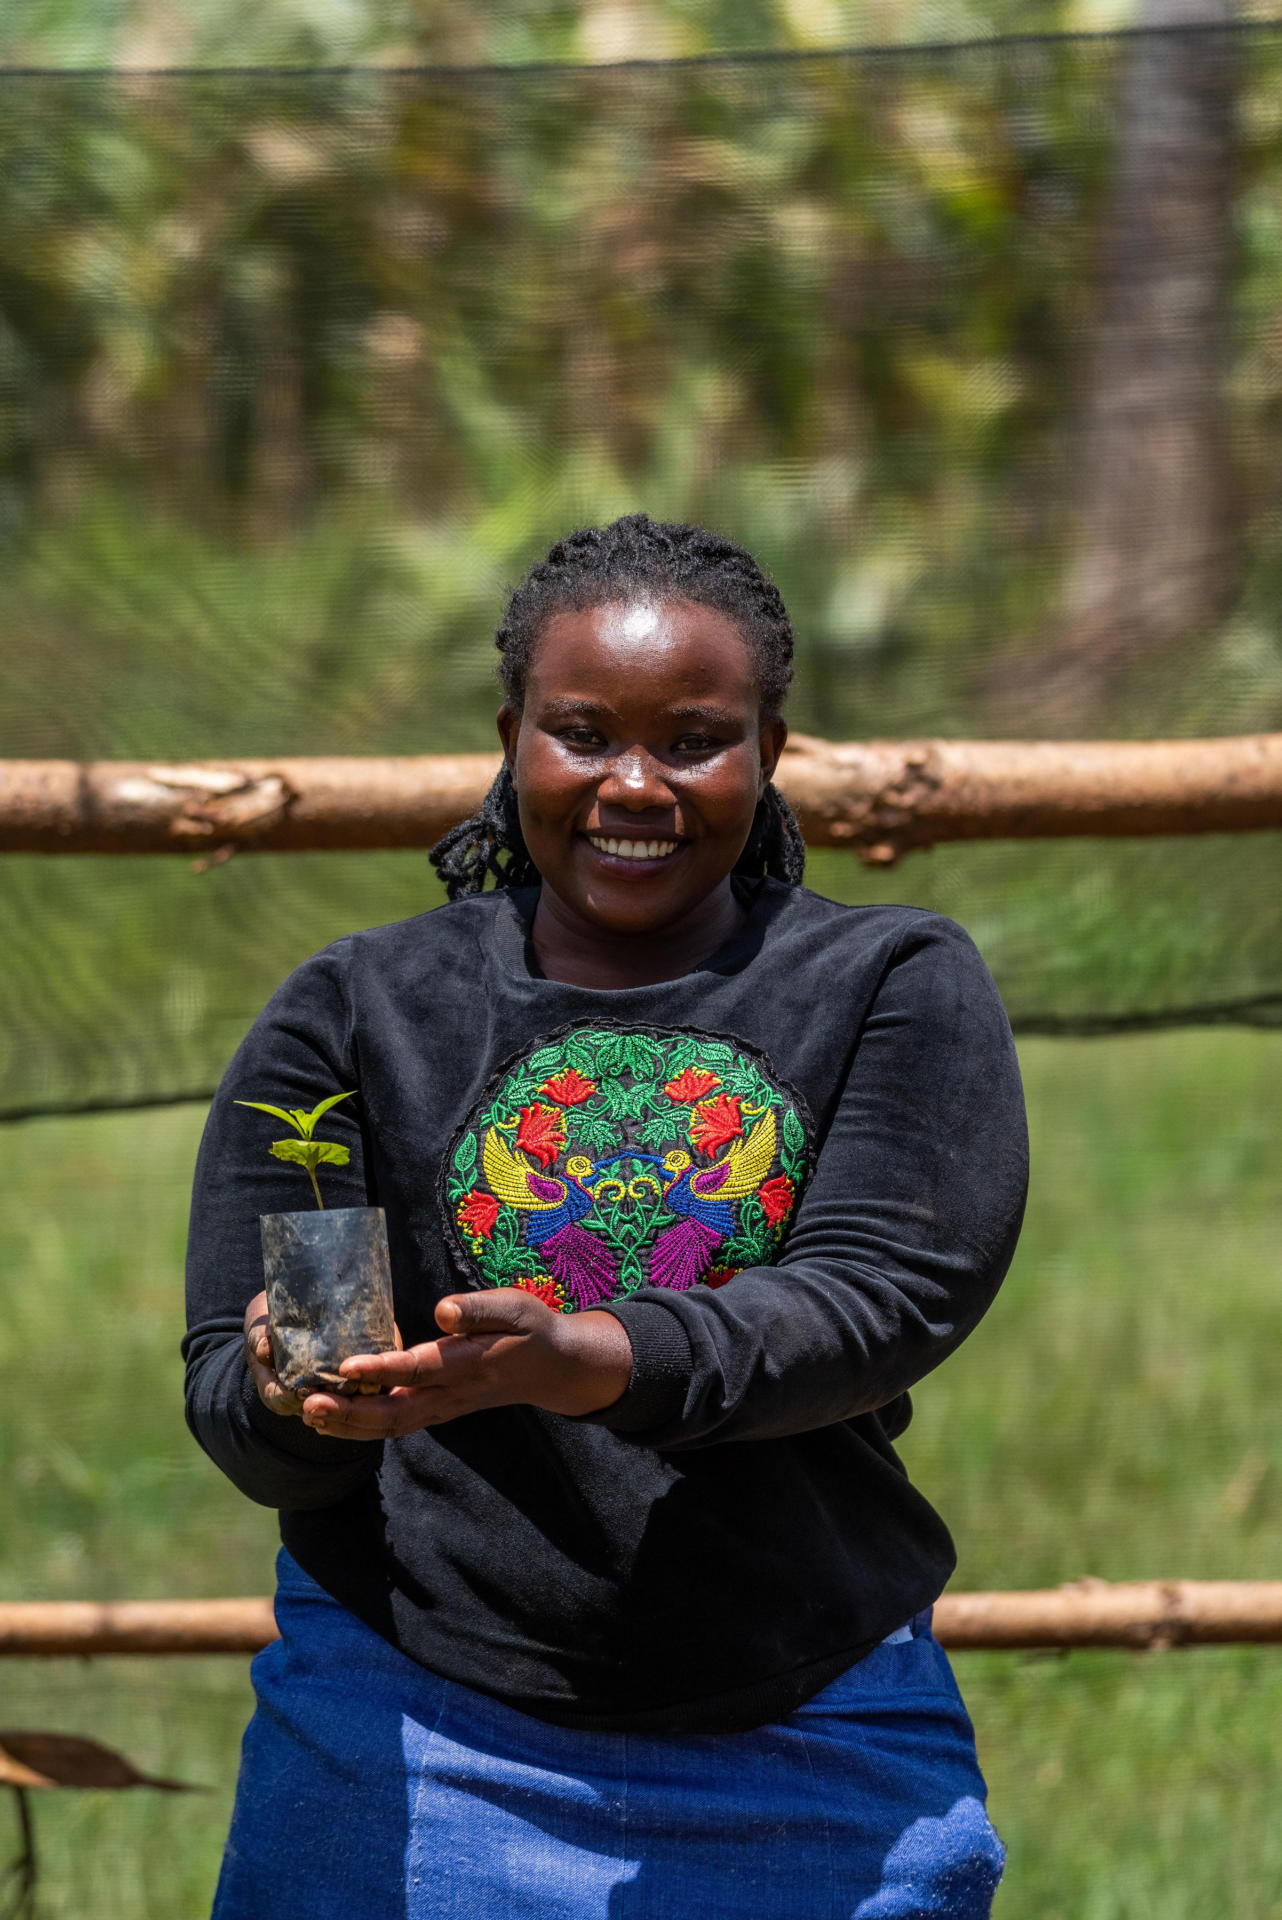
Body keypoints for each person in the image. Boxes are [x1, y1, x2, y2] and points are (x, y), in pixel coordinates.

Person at [184, 512, 1028, 1920]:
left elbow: (875, 1301)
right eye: (582, 734)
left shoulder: (887, 979)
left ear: (773, 748)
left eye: (692, 739)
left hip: (809, 1717)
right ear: (513, 732)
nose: (631, 784)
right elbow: (242, 1392)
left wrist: (595, 1359)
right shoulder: (355, 1013)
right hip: (412, 1721)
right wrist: (296, 1398)